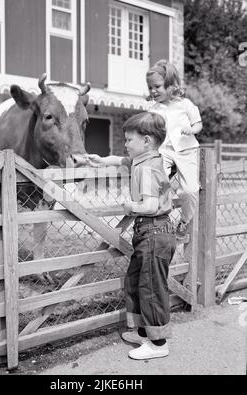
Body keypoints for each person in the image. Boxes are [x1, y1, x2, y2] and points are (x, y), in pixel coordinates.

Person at [86, 112, 176, 361]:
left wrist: (130, 207)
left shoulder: (147, 169)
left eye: (129, 140)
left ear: (146, 141)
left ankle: (158, 343)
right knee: (136, 281)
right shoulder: (147, 159)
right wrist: (101, 160)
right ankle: (143, 332)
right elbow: (123, 160)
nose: (125, 144)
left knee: (151, 289)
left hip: (153, 230)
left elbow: (149, 205)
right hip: (152, 232)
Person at [147, 60, 203, 241]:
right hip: (164, 150)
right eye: (150, 88)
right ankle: (160, 219)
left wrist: (192, 130)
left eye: (157, 86)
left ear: (171, 86)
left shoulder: (185, 104)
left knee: (190, 191)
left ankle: (184, 221)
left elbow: (198, 124)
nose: (152, 91)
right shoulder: (154, 109)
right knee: (156, 181)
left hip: (186, 149)